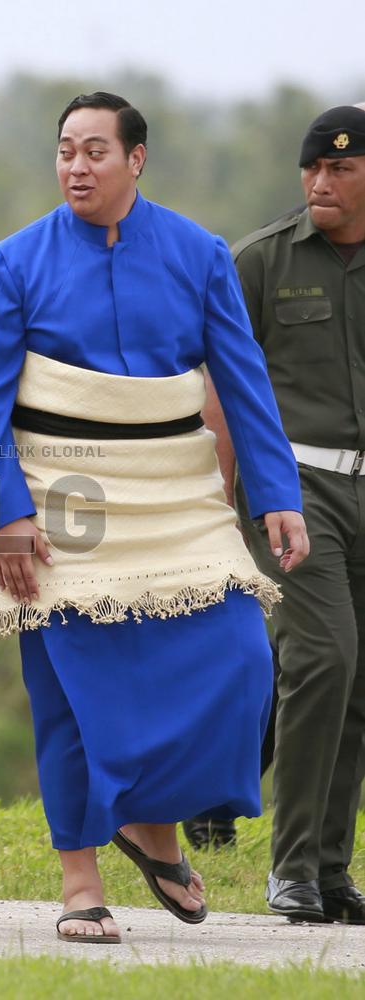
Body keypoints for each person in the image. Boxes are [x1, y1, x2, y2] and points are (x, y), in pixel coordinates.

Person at [0, 91, 308, 944]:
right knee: (70, 693)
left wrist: (278, 495)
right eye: (65, 149)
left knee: (241, 661)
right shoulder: (12, 261)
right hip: (57, 495)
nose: (76, 165)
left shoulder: (198, 253)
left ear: (135, 159)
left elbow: (243, 383)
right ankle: (79, 884)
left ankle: (150, 826)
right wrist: (4, 513)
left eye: (95, 150)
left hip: (175, 489)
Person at [231, 105, 365, 924]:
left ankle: (329, 869)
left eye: (340, 169)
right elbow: (216, 391)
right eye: (311, 168)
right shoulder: (261, 263)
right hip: (293, 488)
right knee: (322, 657)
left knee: (356, 678)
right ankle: (290, 867)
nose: (319, 182)